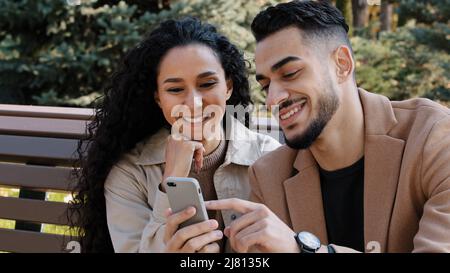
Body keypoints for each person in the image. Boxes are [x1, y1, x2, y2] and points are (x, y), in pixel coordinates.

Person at [206, 0, 450, 253]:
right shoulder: (269, 176)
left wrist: (304, 249)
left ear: (342, 64)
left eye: (290, 73)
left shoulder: (434, 137)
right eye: (266, 85)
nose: (272, 99)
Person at [69, 17, 280, 253]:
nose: (194, 103)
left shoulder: (269, 157)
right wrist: (171, 180)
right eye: (176, 89)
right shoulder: (129, 173)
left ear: (228, 87)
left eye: (207, 83)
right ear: (158, 98)